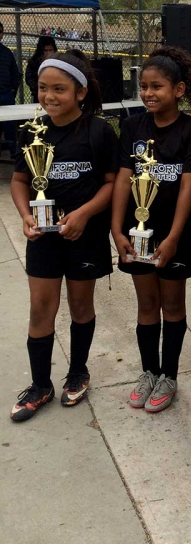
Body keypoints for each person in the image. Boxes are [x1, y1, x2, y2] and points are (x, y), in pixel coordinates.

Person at [9, 52, 118, 422]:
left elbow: (111, 183)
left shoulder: (99, 131)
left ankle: (78, 372)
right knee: (41, 308)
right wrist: (26, 216)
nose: (49, 96)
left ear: (81, 91)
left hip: (83, 236)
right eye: (42, 88)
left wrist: (85, 213)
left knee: (80, 306)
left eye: (59, 88)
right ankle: (40, 385)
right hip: (43, 238)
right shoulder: (32, 131)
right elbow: (21, 179)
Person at [111, 46, 191, 413]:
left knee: (171, 304)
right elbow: (123, 179)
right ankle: (148, 372)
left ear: (178, 90)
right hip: (136, 234)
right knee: (147, 303)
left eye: (157, 87)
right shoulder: (133, 126)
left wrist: (172, 238)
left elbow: (188, 189)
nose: (149, 93)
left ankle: (169, 375)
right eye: (144, 86)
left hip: (172, 237)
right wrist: (117, 230)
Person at [0, 22, 22, 156]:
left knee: (10, 127)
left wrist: (12, 90)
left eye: (0, 31)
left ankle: (14, 154)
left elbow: (15, 73)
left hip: (6, 94)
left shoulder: (7, 52)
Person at [25, 36, 58, 103]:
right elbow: (29, 80)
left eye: (51, 50)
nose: (48, 53)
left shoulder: (58, 62)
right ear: (41, 51)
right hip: (38, 95)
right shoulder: (34, 62)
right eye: (46, 51)